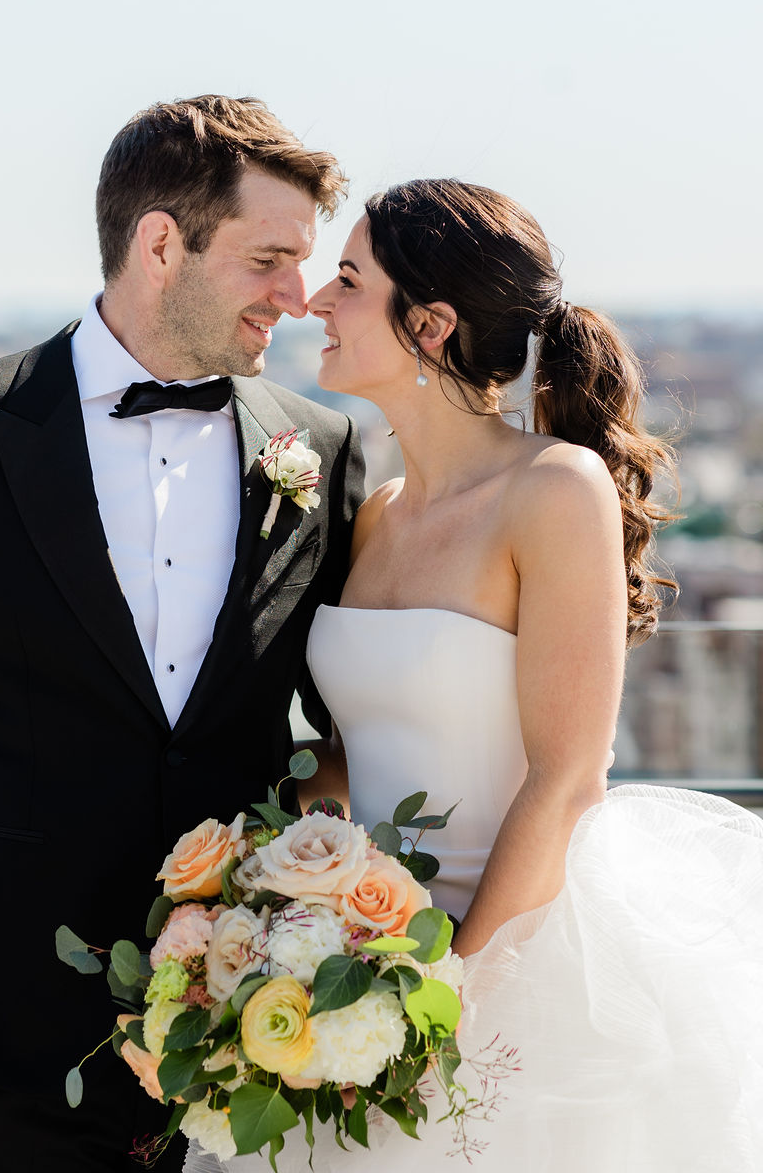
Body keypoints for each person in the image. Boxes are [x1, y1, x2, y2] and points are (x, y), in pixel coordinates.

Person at [0, 95, 366, 1173]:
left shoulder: (321, 448)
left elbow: (344, 716)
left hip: (247, 1032)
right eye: (268, 260)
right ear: (161, 242)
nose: (295, 298)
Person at [287, 179, 762, 1169]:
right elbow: (344, 748)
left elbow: (566, 776)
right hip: (361, 971)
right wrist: (285, 912)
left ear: (429, 323)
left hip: (510, 974)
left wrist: (447, 996)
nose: (312, 303)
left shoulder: (553, 489)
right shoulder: (374, 511)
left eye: (345, 280)